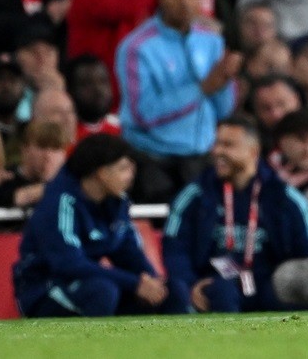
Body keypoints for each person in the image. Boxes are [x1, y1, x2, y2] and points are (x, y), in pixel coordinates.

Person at [162, 116, 308, 312]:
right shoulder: (194, 197)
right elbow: (175, 251)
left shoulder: (285, 199)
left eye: (227, 145)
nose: (217, 151)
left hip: (269, 284)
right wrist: (190, 284)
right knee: (219, 294)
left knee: (307, 302)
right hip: (215, 283)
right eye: (216, 144)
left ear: (253, 152)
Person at [11, 134, 189, 317]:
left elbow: (129, 253)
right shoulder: (59, 203)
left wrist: (151, 282)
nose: (131, 175)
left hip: (90, 285)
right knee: (102, 291)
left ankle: (168, 346)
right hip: (45, 290)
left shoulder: (117, 202)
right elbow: (69, 264)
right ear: (102, 173)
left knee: (173, 291)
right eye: (123, 169)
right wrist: (135, 283)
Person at [116, 0, 240, 203]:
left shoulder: (211, 41)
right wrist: (201, 89)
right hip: (154, 161)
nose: (184, 1)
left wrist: (226, 82)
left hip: (202, 158)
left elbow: (223, 110)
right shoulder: (136, 47)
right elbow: (143, 114)